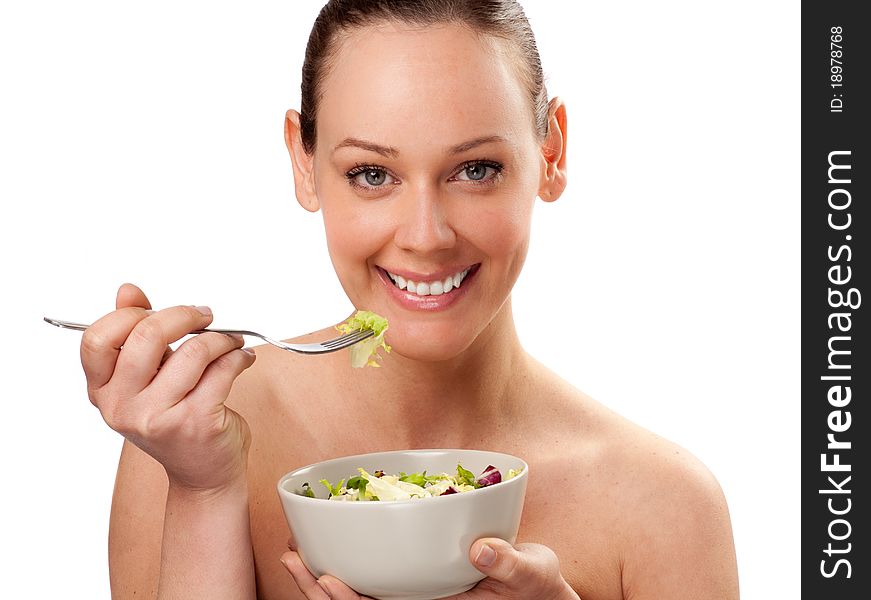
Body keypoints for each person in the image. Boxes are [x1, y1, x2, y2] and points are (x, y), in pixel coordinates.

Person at [80, 1, 740, 598]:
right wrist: (204, 493)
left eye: (475, 169)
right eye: (371, 173)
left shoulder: (667, 508)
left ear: (551, 151)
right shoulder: (187, 442)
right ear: (303, 163)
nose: (425, 237)